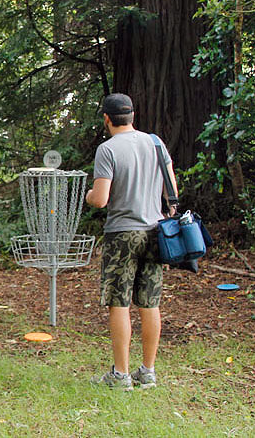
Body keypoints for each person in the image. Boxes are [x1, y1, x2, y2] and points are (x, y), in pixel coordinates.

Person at [85, 93, 175, 390]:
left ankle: (121, 375)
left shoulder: (107, 150)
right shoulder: (156, 143)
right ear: (133, 116)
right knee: (150, 303)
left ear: (107, 119)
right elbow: (171, 189)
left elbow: (100, 199)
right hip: (154, 231)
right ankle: (147, 371)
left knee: (119, 303)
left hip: (122, 234)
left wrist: (88, 195)